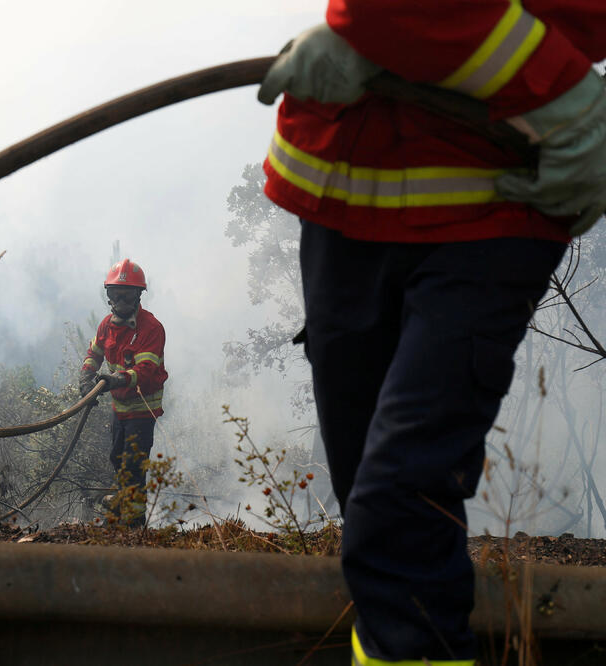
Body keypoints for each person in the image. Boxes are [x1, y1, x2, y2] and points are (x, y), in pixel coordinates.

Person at [256, 2, 606, 664]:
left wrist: (396, 31)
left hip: (496, 194)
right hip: (348, 186)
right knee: (374, 492)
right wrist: (390, 33)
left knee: (397, 496)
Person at [79, 259, 167, 526]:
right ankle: (124, 503)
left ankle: (132, 520)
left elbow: (146, 369)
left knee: (134, 465)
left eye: (127, 295)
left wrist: (116, 380)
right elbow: (94, 353)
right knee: (117, 457)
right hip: (120, 408)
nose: (121, 301)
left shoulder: (151, 328)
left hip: (142, 409)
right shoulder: (106, 325)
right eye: (116, 295)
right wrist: (86, 377)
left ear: (138, 296)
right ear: (109, 296)